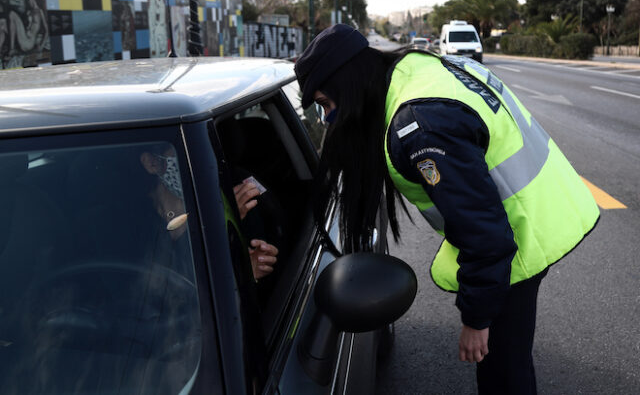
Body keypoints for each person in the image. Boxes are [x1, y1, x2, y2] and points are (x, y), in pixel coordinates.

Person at [294, 24, 599, 394]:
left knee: (503, 372)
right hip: (533, 216)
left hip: (517, 238)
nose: (329, 119)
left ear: (349, 84)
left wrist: (476, 319)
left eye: (327, 104)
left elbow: (484, 233)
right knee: (509, 363)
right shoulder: (419, 69)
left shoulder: (420, 126)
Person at [139, 147, 278, 280]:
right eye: (184, 151)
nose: (198, 161)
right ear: (151, 163)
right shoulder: (136, 217)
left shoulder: (232, 199)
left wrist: (247, 270)